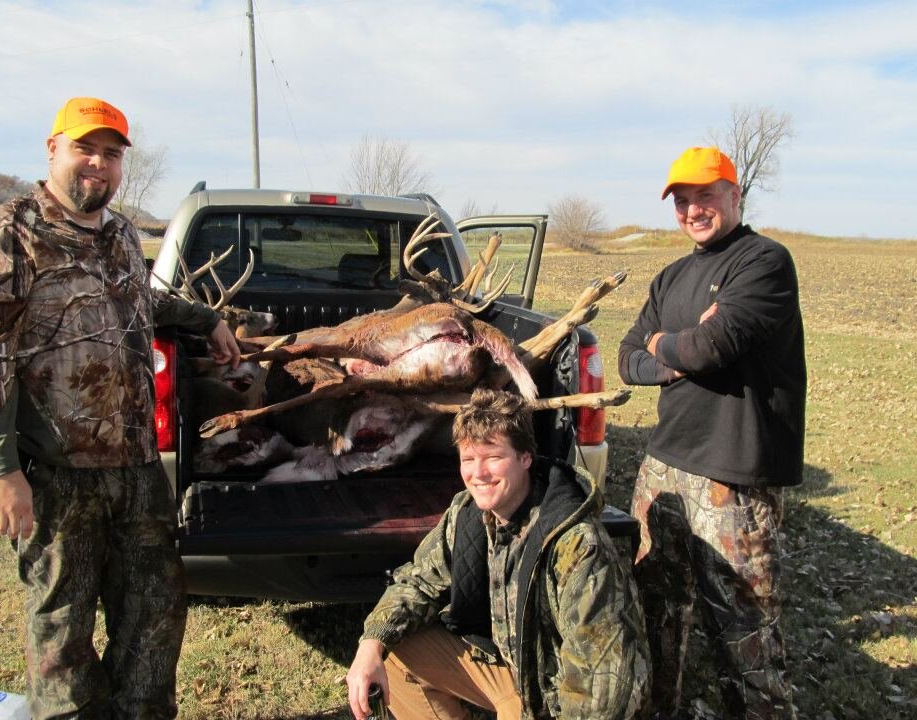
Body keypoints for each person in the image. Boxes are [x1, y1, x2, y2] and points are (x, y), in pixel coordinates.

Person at [0, 96, 241, 719]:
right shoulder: (4, 232)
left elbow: (143, 304)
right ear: (52, 148)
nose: (99, 164)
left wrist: (207, 319)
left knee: (154, 617)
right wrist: (1, 472)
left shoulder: (116, 235)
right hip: (55, 475)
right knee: (64, 632)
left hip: (137, 469)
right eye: (86, 148)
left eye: (111, 154)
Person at [618, 146, 805, 719]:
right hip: (664, 467)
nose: (694, 210)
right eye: (682, 200)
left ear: (735, 194)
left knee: (745, 637)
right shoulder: (671, 276)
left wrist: (669, 346)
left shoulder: (763, 261)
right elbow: (629, 358)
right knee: (656, 614)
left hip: (734, 475)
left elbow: (713, 344)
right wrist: (675, 354)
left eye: (706, 195)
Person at [344, 387, 650, 720]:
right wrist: (370, 644)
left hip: (554, 697)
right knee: (392, 652)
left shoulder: (576, 545)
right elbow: (417, 583)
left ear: (525, 457)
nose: (479, 474)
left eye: (493, 457)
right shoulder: (467, 514)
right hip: (508, 670)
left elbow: (603, 679)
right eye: (468, 460)